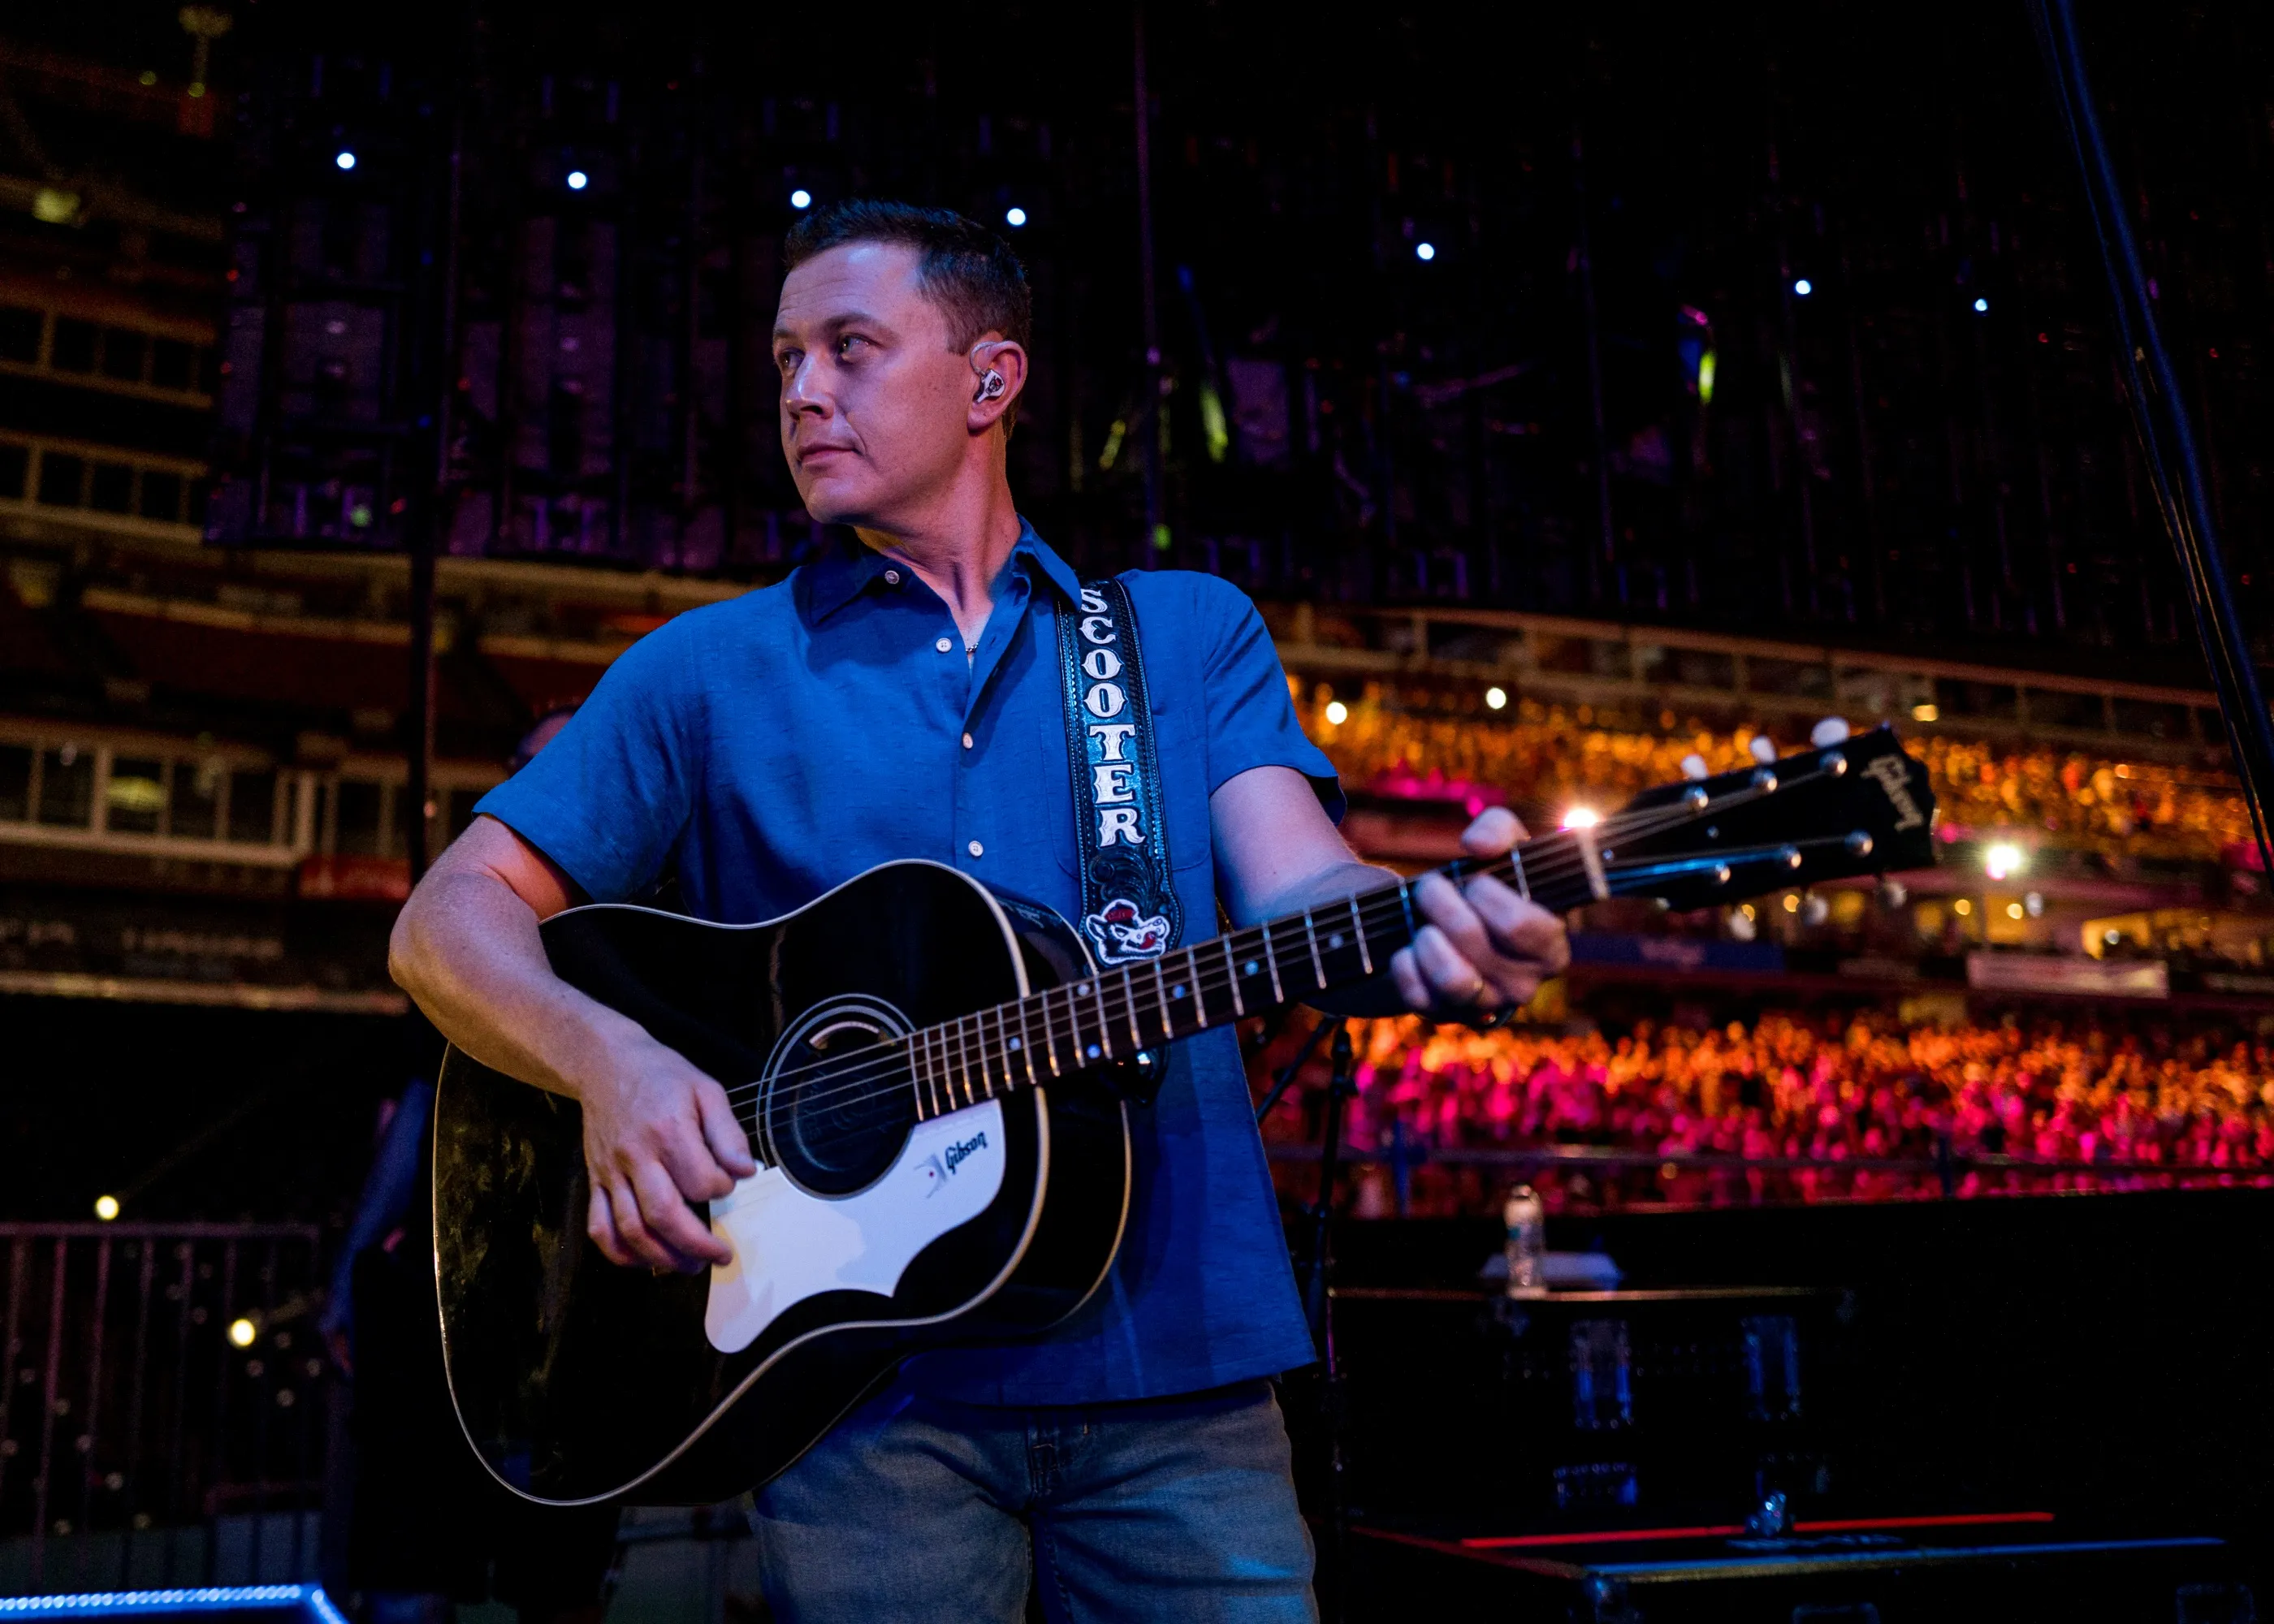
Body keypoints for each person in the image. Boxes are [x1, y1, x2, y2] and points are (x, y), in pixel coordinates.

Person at [388, 200, 1567, 1622]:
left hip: (1180, 1376)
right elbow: (443, 922)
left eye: (851, 348)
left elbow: (1305, 887)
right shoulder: (700, 671)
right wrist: (609, 1063)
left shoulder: (1181, 634)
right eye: (785, 361)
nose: (802, 392)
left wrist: (1440, 926)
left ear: (990, 380)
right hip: (856, 1406)